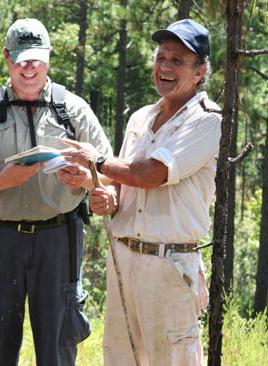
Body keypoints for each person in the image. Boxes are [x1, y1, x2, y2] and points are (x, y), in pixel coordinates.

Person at [0, 18, 112, 366]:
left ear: (49, 58)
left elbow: (109, 180)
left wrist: (85, 179)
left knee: (57, 348)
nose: (29, 68)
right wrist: (0, 182)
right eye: (21, 59)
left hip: (59, 238)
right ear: (7, 58)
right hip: (0, 239)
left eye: (36, 59)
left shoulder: (74, 111)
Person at [63, 19, 222, 366]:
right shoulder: (140, 118)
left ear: (200, 72)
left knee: (172, 359)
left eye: (177, 60)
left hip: (169, 267)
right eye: (161, 57)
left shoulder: (208, 120)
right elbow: (122, 187)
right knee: (120, 358)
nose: (164, 67)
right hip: (123, 260)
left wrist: (97, 160)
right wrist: (101, 192)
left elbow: (152, 174)